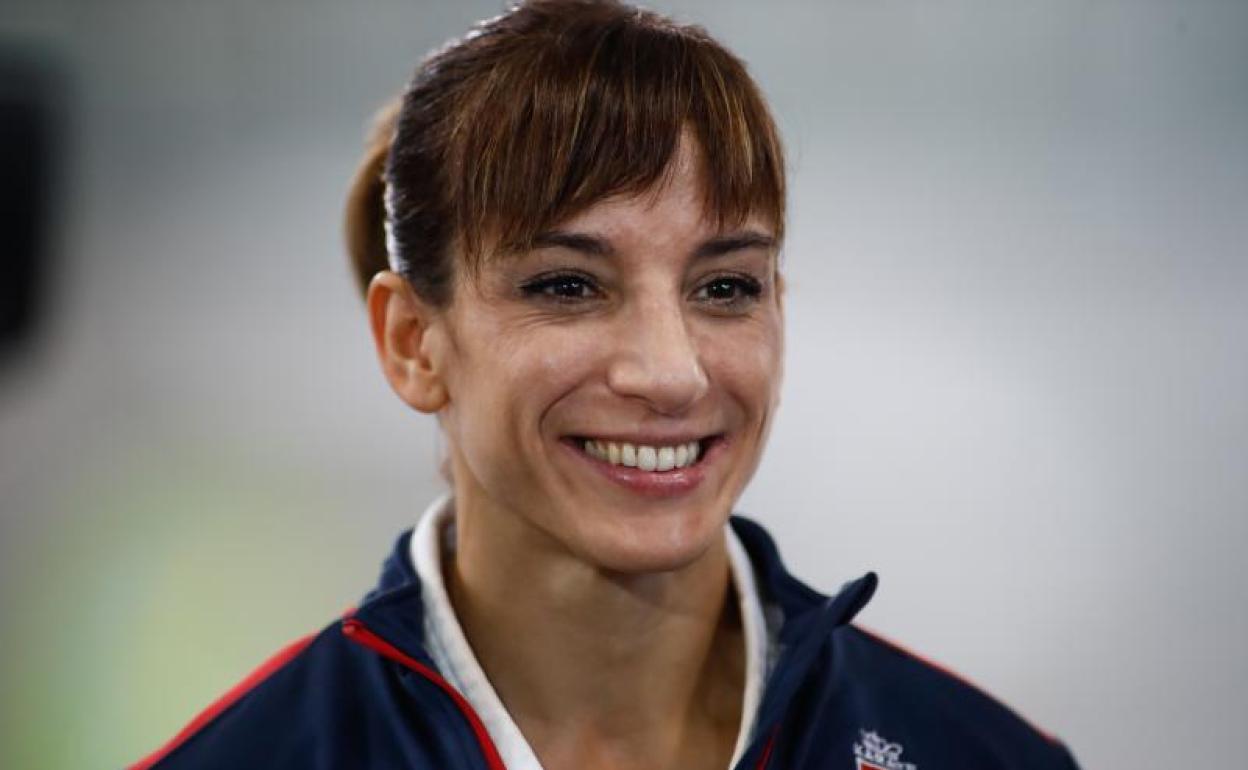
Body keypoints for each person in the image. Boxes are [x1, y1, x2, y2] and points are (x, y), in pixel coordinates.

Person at [130, 1, 1081, 768]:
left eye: (725, 288)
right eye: (568, 286)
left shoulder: (983, 759)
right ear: (414, 342)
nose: (671, 373)